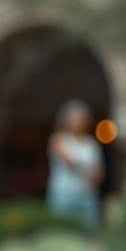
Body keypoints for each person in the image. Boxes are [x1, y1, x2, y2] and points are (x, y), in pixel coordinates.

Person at [47, 99, 103, 231]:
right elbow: (69, 161)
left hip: (87, 195)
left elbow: (99, 171)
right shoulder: (58, 139)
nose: (77, 122)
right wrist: (88, 169)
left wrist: (94, 176)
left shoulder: (91, 143)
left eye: (80, 118)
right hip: (63, 194)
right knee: (62, 232)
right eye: (74, 118)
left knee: (88, 232)